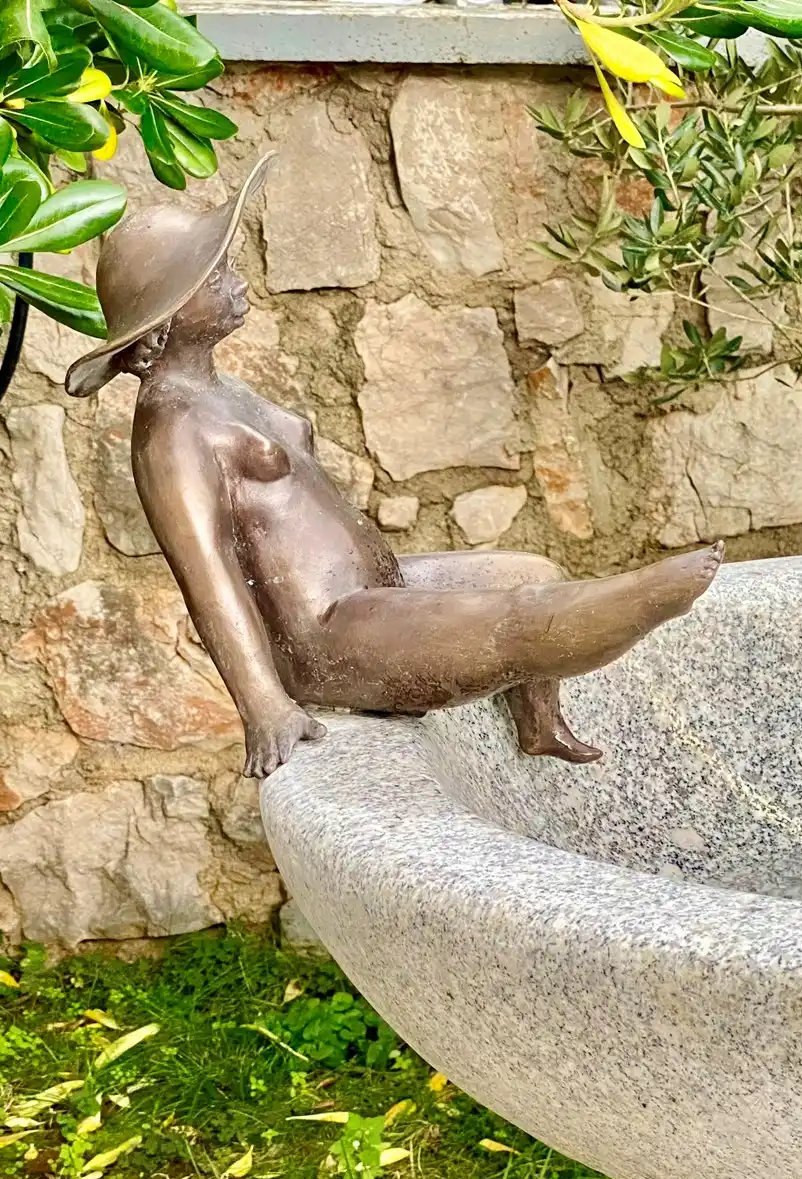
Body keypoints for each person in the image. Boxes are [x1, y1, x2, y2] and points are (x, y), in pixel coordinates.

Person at [66, 156, 720, 779]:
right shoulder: (171, 429)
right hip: (328, 637)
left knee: (531, 570)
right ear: (166, 317)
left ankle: (538, 724)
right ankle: (644, 601)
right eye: (214, 279)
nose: (236, 283)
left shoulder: (217, 388)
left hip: (380, 588)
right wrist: (263, 705)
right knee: (516, 620)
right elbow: (207, 580)